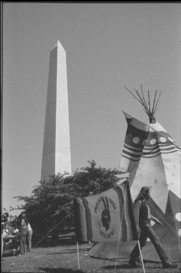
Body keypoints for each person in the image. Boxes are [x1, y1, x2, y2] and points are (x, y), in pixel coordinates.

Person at [129, 187, 177, 269]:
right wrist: (136, 228)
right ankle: (165, 262)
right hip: (144, 224)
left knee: (142, 242)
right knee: (156, 240)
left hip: (147, 223)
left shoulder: (146, 203)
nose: (149, 194)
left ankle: (133, 259)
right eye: (148, 193)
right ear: (144, 193)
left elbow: (148, 214)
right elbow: (136, 216)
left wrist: (156, 220)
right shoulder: (139, 202)